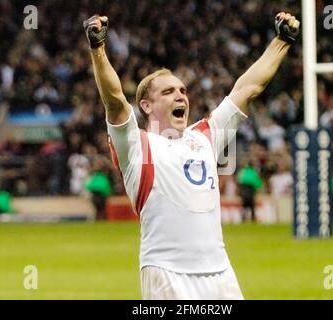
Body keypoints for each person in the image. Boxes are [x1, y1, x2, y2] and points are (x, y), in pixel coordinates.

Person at [83, 12, 299, 299]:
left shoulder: (205, 136)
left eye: (183, 90)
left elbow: (248, 88)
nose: (180, 96)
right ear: (146, 105)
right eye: (169, 91)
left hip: (220, 274)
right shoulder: (137, 146)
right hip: (167, 275)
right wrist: (98, 49)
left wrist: (282, 40)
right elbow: (114, 101)